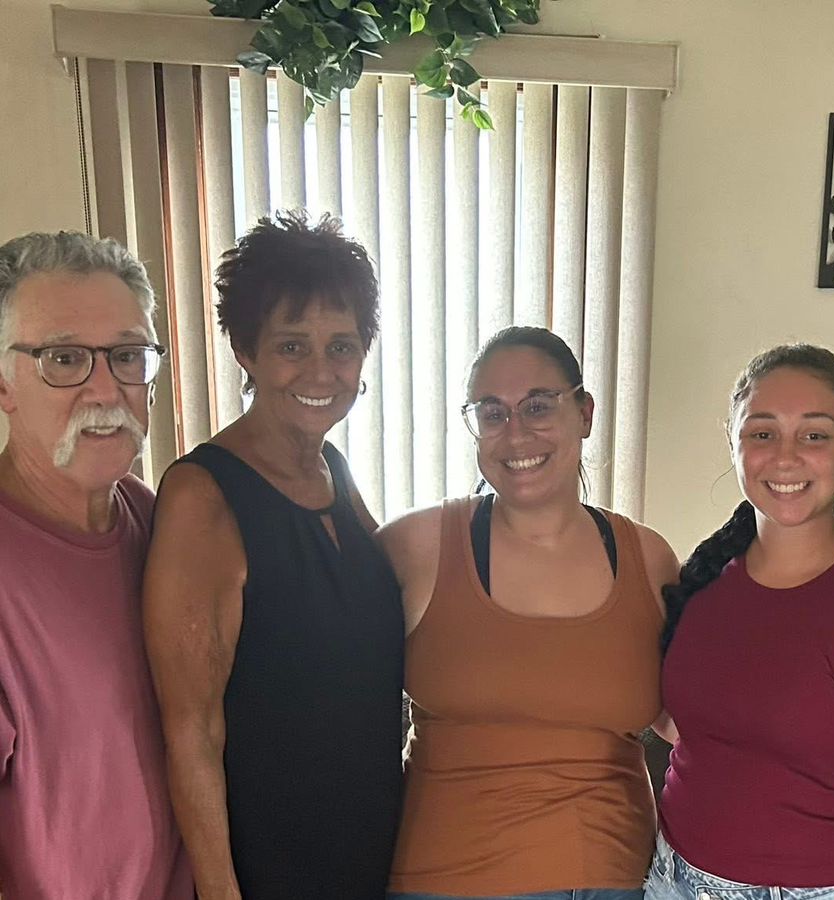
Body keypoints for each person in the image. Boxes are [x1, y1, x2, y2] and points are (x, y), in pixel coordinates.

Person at [142, 211, 405, 900]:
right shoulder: (202, 495)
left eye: (342, 346)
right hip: (272, 865)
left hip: (371, 846)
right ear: (245, 351)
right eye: (292, 345)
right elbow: (192, 732)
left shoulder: (335, 471)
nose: (321, 370)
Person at [377, 325, 679, 900]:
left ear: (584, 413)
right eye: (492, 414)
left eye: (538, 406)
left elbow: (689, 718)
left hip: (616, 878)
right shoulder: (415, 547)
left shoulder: (649, 557)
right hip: (448, 880)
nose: (516, 433)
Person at [647, 344, 834, 900]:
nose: (785, 458)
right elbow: (688, 726)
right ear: (732, 440)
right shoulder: (704, 576)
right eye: (762, 433)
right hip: (671, 879)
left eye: (814, 435)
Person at [0, 231, 192, 900]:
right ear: (3, 385)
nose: (105, 389)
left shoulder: (156, 521)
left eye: (128, 356)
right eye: (64, 359)